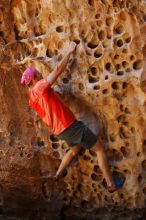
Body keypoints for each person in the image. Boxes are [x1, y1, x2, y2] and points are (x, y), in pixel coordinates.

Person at [21, 42, 125, 193]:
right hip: (70, 126)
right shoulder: (39, 87)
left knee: (74, 150)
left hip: (61, 132)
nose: (41, 74)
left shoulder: (32, 96)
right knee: (100, 149)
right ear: (35, 78)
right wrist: (69, 51)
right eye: (38, 73)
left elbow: (47, 109)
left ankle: (58, 174)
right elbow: (57, 70)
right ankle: (111, 184)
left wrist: (57, 95)